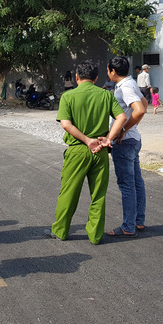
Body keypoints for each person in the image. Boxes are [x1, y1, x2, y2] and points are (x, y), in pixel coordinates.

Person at [44, 61, 126, 244]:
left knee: (69, 192)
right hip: (101, 151)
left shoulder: (68, 96)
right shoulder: (106, 95)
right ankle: (95, 235)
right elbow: (122, 117)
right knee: (98, 194)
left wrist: (87, 140)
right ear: (96, 78)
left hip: (78, 151)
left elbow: (66, 124)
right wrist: (109, 138)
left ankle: (60, 230)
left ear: (77, 77)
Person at [105, 56, 148, 238]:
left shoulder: (126, 87)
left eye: (108, 70)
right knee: (136, 181)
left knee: (127, 184)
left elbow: (140, 109)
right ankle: (138, 221)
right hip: (133, 139)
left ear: (113, 71)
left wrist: (123, 129)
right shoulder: (130, 83)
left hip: (125, 142)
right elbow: (145, 103)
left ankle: (128, 226)